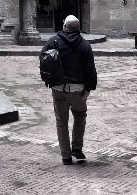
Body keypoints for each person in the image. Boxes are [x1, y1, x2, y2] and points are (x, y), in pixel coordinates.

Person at [41, 15, 97, 165]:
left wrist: (49, 80)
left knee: (61, 121)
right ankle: (77, 148)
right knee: (79, 116)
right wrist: (89, 88)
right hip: (78, 89)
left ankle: (66, 156)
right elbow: (90, 69)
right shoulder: (84, 44)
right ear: (77, 28)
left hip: (59, 88)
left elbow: (43, 59)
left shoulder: (53, 41)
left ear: (64, 26)